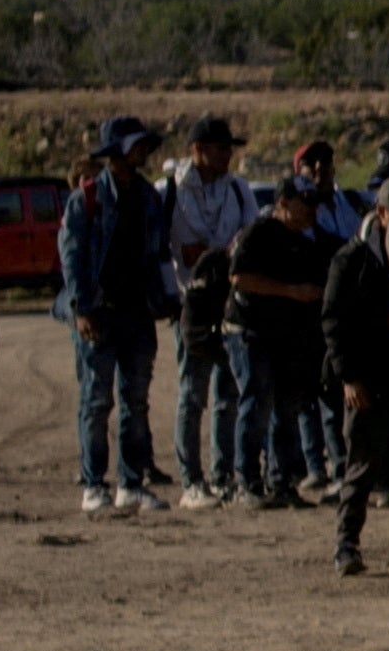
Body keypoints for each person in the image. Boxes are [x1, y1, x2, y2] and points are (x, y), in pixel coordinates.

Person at [59, 122, 174, 515]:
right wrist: (80, 308)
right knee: (95, 402)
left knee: (136, 402)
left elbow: (159, 254)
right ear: (116, 152)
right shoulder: (87, 199)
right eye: (137, 145)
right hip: (99, 314)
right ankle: (94, 484)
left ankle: (131, 484)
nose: (144, 152)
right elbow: (71, 257)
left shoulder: (148, 197)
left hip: (137, 314)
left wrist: (167, 298)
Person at [322, 149, 389, 574]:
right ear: (382, 214)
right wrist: (349, 378)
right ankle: (347, 544)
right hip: (366, 378)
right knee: (361, 466)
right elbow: (333, 323)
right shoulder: (352, 260)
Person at [225, 171, 338, 514]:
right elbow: (239, 276)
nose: (311, 212)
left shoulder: (306, 243)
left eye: (314, 205)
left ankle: (281, 481)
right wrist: (291, 292)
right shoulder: (260, 232)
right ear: (283, 204)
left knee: (285, 409)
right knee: (256, 404)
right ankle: (247, 482)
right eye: (304, 205)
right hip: (249, 332)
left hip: (284, 338)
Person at [164, 115, 259, 504]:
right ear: (197, 150)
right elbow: (164, 248)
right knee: (192, 392)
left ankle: (223, 476)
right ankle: (191, 480)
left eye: (229, 149)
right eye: (220, 149)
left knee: (228, 395)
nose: (227, 156)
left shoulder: (237, 190)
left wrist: (217, 254)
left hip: (229, 305)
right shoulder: (170, 190)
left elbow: (251, 238)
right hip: (190, 303)